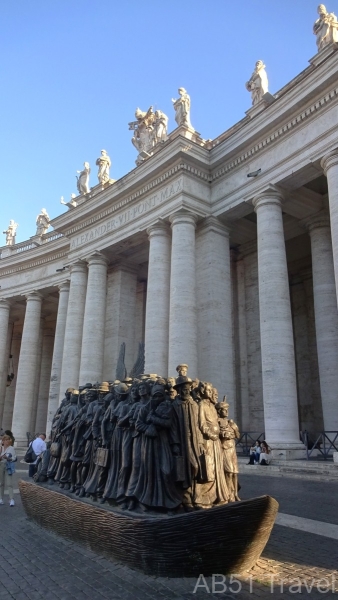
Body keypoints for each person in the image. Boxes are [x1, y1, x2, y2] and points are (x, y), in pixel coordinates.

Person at [0, 434, 17, 506]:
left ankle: (11, 499)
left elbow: (14, 458)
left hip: (8, 465)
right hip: (1, 465)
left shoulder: (11, 448)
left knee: (9, 483)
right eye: (5, 440)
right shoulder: (0, 448)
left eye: (8, 440)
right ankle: (1, 498)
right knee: (1, 483)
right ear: (2, 441)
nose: (7, 441)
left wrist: (7, 458)